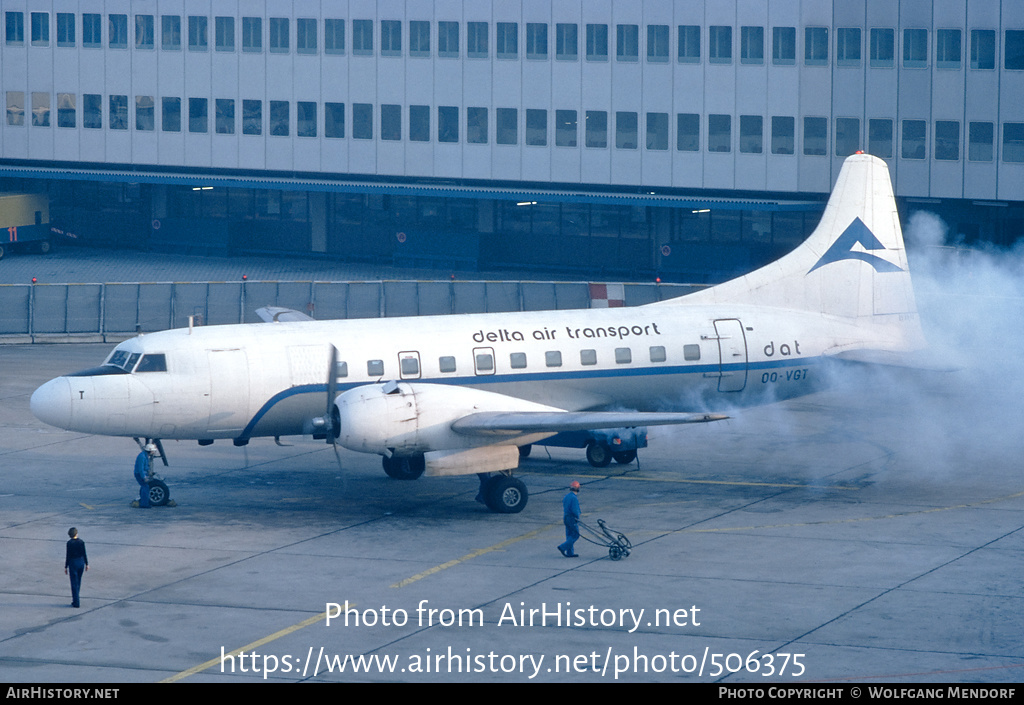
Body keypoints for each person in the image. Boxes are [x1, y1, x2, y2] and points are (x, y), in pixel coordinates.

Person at [64, 527, 88, 608]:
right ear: (76, 534)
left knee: (74, 582)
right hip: (81, 562)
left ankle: (76, 601)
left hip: (73, 563)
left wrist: (66, 566)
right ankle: (76, 598)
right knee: (78, 581)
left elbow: (68, 555)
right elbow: (84, 553)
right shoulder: (81, 542)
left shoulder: (69, 543)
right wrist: (87, 564)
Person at [557, 481, 582, 557]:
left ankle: (570, 552)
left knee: (569, 535)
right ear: (577, 488)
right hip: (572, 518)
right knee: (575, 535)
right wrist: (577, 517)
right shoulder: (574, 498)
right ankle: (562, 547)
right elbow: (575, 510)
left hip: (566, 517)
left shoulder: (566, 496)